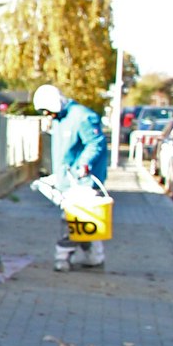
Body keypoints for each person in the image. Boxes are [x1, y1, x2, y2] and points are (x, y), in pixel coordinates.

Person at [32, 83, 109, 271]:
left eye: (46, 111)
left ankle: (63, 256)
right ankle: (95, 257)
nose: (46, 115)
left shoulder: (82, 117)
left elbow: (95, 143)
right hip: (69, 180)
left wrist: (84, 164)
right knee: (87, 220)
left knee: (73, 219)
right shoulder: (61, 119)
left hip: (84, 181)